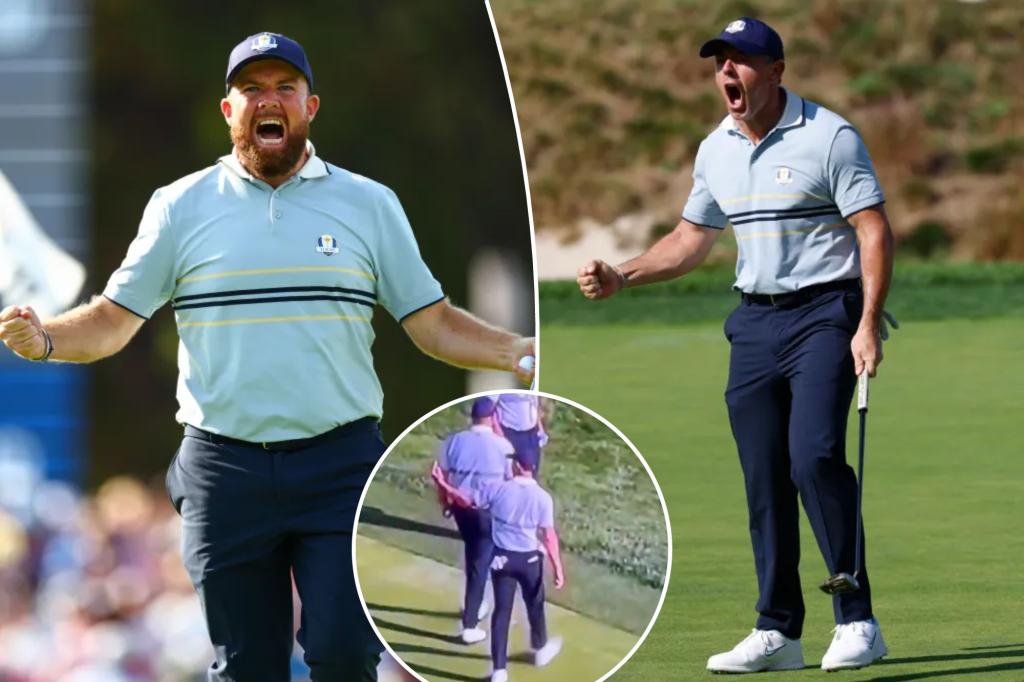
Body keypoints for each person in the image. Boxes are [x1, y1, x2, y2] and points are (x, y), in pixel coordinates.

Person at [1, 32, 535, 682]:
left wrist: (519, 352)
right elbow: (112, 322)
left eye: (284, 87)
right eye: (251, 89)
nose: (267, 100)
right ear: (229, 111)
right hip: (225, 471)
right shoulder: (178, 208)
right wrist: (48, 337)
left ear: (312, 106)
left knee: (343, 650)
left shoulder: (370, 205)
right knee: (247, 666)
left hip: (341, 465)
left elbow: (432, 324)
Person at [576, 17, 894, 674]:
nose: (728, 72)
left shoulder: (829, 137)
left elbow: (872, 230)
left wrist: (867, 322)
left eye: (743, 60)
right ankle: (778, 630)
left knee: (813, 458)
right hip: (753, 324)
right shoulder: (715, 148)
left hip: (825, 315)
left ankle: (857, 619)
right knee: (763, 477)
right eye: (720, 62)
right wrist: (622, 274)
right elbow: (691, 239)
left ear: (776, 70)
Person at [431, 447, 564, 682]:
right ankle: (540, 648)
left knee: (501, 613)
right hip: (530, 561)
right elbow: (549, 536)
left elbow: (465, 500)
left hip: (503, 559)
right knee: (535, 604)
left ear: (518, 466)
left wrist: (443, 484)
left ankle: (499, 672)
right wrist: (557, 568)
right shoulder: (543, 498)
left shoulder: (498, 489)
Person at [435, 396, 514, 644]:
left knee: (475, 556)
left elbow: (443, 476)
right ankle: (470, 624)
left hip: (461, 510)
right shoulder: (503, 446)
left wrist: (446, 503)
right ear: (492, 417)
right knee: (481, 564)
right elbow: (509, 484)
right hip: (487, 513)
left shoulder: (453, 441)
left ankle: (475, 604)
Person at [490, 393, 548, 474]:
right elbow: (489, 406)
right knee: (509, 472)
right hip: (508, 432)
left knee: (531, 471)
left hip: (531, 432)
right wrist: (496, 428)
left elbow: (535, 402)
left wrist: (539, 425)